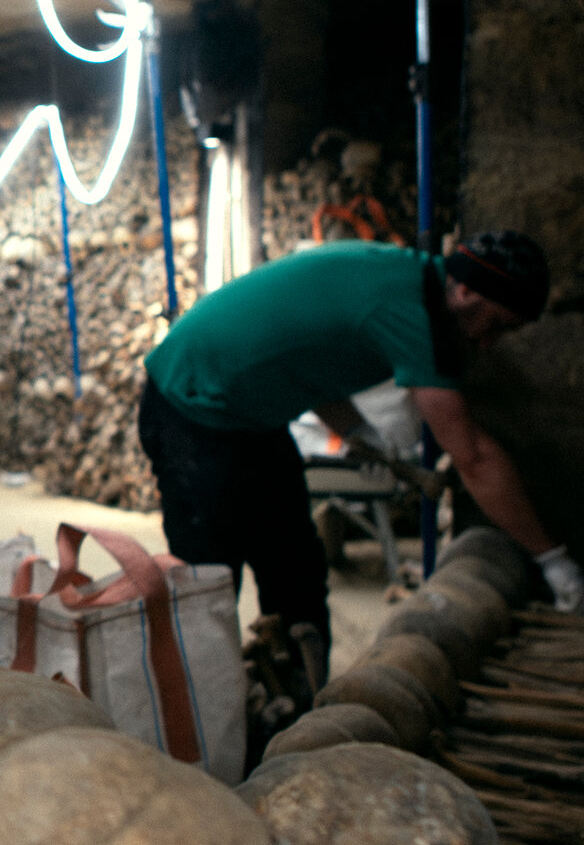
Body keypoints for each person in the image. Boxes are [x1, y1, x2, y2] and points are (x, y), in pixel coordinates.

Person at [139, 230, 583, 666]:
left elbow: (311, 360)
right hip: (189, 404)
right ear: (465, 291)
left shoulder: (408, 282)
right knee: (208, 583)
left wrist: (358, 433)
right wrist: (552, 558)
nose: (486, 344)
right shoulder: (413, 313)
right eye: (496, 325)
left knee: (295, 572)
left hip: (249, 415)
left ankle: (297, 694)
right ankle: (201, 708)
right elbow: (475, 459)